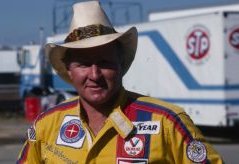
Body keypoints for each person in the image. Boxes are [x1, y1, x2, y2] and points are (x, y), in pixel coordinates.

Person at [17, 1, 224, 163]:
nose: (95, 74)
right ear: (69, 71)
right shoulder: (47, 124)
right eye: (83, 64)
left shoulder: (167, 123)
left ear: (121, 64)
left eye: (105, 62)